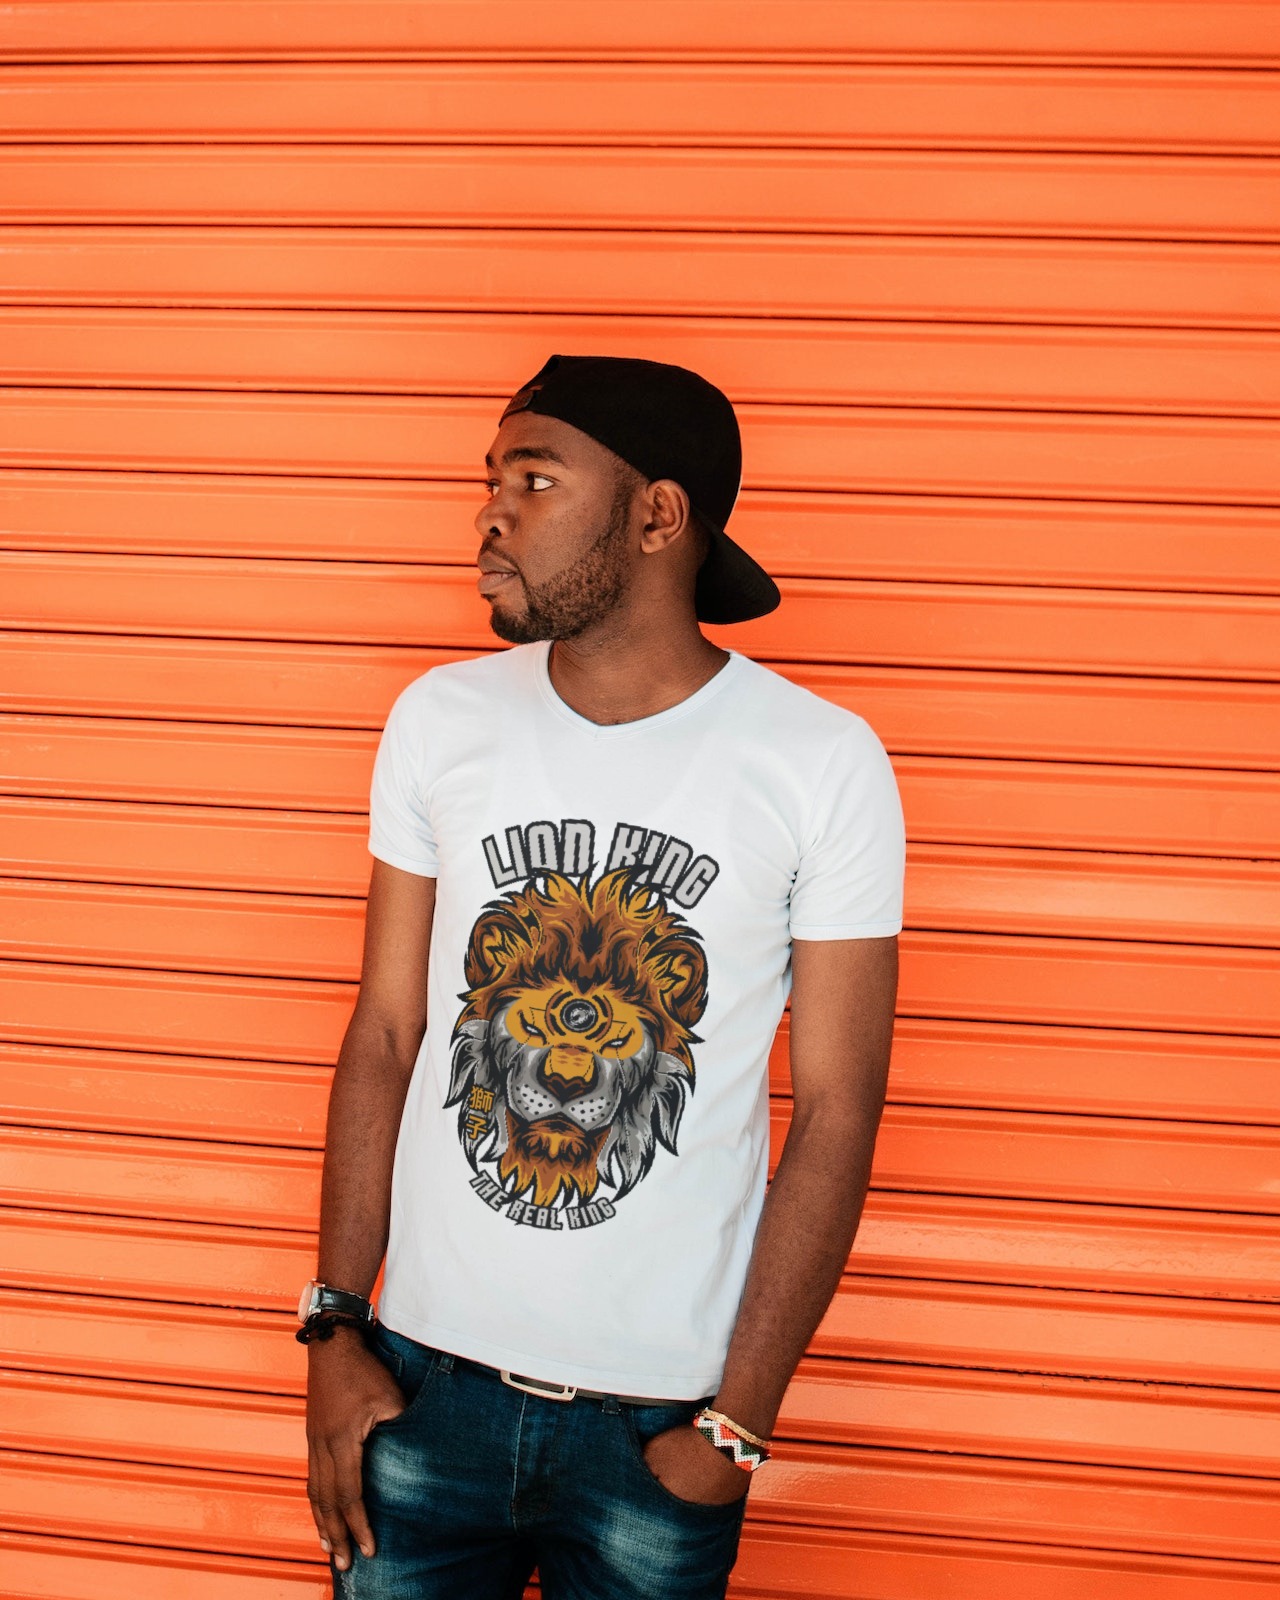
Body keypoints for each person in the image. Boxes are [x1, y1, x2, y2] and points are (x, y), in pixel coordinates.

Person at [301, 353, 905, 1599]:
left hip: (659, 1426)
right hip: (418, 1389)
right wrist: (334, 1323)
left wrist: (736, 1426)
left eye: (534, 479)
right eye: (490, 480)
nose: (490, 512)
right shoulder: (439, 720)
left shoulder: (818, 762)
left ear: (657, 515)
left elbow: (837, 1107)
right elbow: (388, 1029)